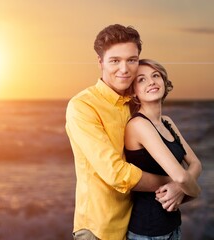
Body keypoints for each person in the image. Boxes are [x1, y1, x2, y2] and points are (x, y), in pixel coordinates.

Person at [66, 24, 179, 240]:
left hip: (138, 225)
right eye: (115, 60)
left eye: (132, 60)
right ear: (100, 62)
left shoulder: (136, 102)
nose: (124, 69)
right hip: (100, 228)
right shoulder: (82, 106)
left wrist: (182, 181)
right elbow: (115, 173)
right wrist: (174, 184)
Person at [124, 59, 202, 240]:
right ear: (134, 93)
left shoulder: (167, 122)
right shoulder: (138, 125)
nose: (151, 82)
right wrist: (194, 191)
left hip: (173, 226)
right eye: (141, 79)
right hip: (148, 232)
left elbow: (195, 163)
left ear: (164, 83)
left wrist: (179, 187)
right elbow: (182, 176)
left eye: (155, 76)